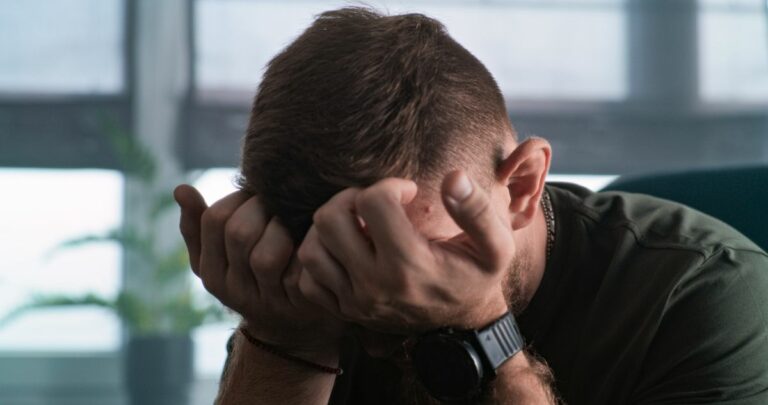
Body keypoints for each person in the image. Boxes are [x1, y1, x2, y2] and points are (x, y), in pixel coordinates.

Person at [173, 7, 768, 405]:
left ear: (522, 185)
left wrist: (480, 327)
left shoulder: (709, 294)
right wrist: (283, 343)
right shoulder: (292, 290)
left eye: (403, 251)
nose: (366, 300)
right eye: (326, 264)